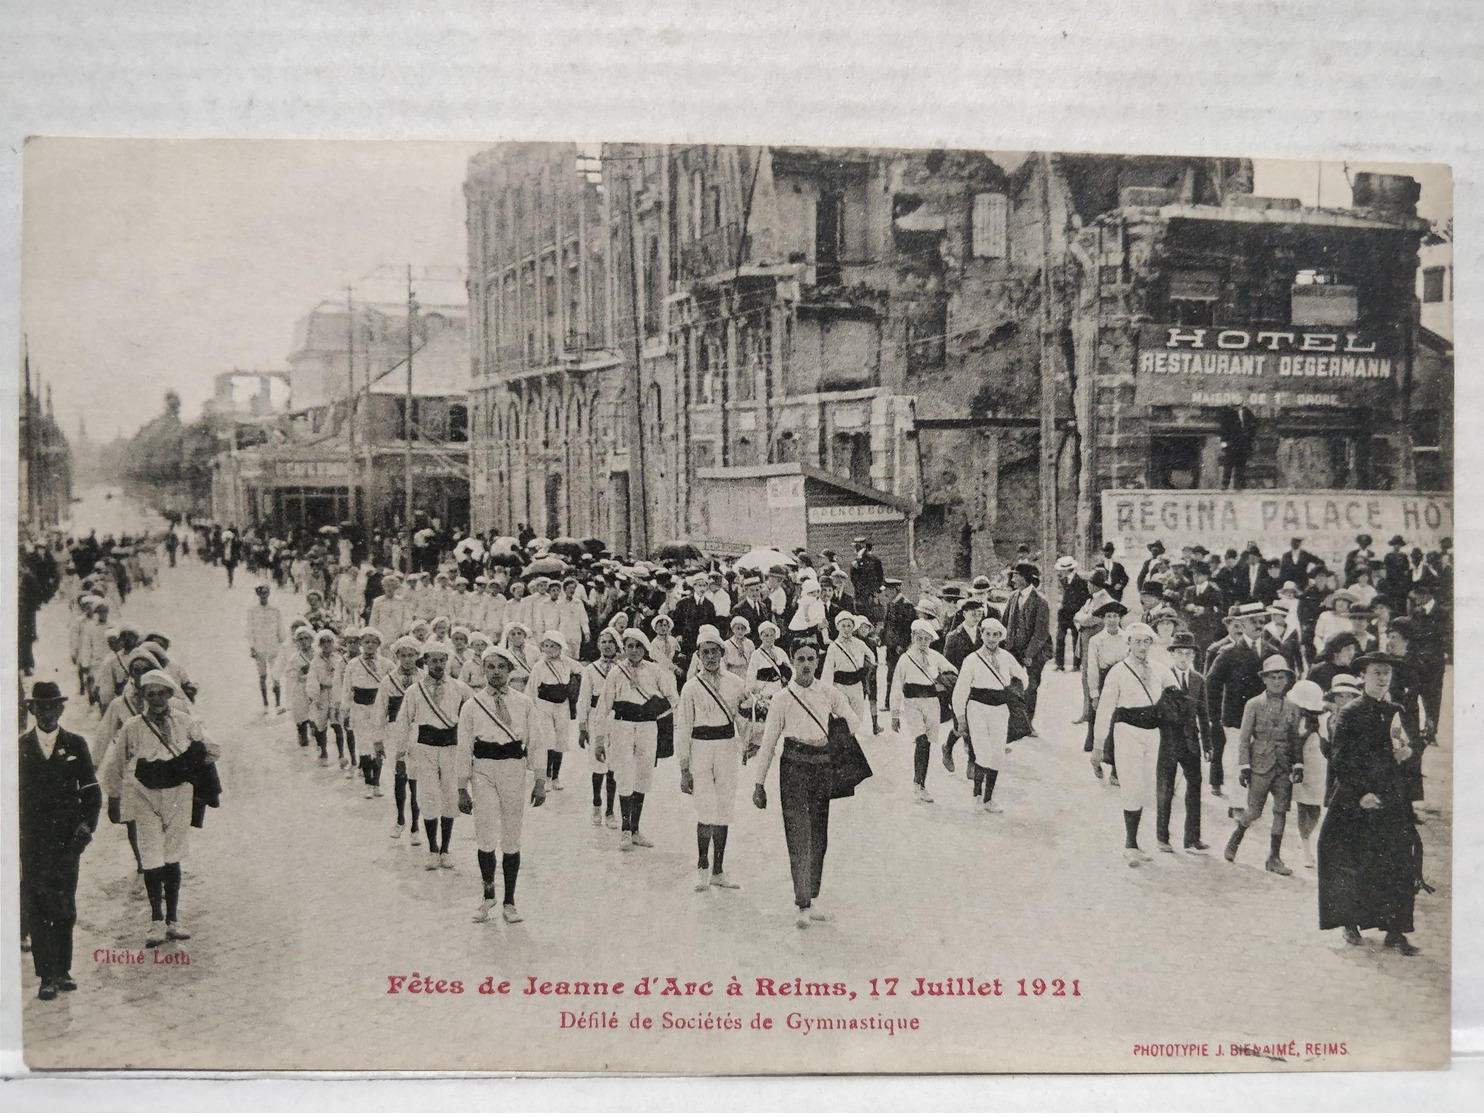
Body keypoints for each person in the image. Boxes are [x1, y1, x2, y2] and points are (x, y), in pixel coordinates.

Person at [99, 670, 220, 947]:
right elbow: (115, 764)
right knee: (151, 855)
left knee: (173, 855)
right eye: (149, 694)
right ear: (142, 696)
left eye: (161, 693)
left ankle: (174, 920)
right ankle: (156, 921)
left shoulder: (185, 721)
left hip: (178, 792)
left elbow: (212, 749)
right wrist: (114, 796)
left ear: (169, 694)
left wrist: (191, 762)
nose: (155, 699)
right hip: (145, 794)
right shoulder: (133, 727)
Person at [750, 643, 864, 928]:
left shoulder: (828, 692)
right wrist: (758, 782)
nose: (805, 664)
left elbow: (854, 721)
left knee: (818, 836)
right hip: (793, 768)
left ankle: (812, 896)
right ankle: (801, 902)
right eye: (800, 659)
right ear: (792, 661)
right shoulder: (781, 699)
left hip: (822, 768)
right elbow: (769, 743)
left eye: (810, 659)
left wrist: (839, 729)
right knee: (799, 834)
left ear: (817, 661)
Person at [1317, 651, 1423, 954]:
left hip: (1390, 796)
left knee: (1398, 859)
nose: (1382, 679)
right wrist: (1360, 793)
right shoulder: (1350, 712)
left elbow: (1404, 746)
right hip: (1356, 798)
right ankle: (1349, 923)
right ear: (1362, 676)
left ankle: (1396, 931)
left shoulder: (1395, 710)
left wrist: (1406, 754)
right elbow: (1340, 759)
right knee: (1351, 858)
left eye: (1386, 673)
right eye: (1376, 673)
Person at [19, 681, 101, 1000]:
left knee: (65, 903)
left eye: (55, 705)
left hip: (67, 840)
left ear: (62, 708)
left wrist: (85, 826)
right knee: (39, 904)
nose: (49, 712)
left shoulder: (76, 744)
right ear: (33, 709)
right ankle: (46, 975)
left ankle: (64, 969)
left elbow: (92, 792)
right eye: (42, 706)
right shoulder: (21, 747)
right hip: (34, 842)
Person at [458, 645, 545, 924]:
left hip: (513, 769)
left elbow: (536, 742)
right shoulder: (472, 705)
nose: (496, 672)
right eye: (491, 667)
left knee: (510, 834)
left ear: (510, 671)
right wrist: (461, 786)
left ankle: (510, 901)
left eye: (501, 667)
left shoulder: (524, 703)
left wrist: (540, 780)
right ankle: (487, 896)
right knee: (485, 833)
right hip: (483, 770)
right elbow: (463, 748)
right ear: (484, 670)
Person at [1092, 623, 1175, 865]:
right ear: (1128, 644)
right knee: (1132, 786)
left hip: (1153, 733)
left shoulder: (1159, 669)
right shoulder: (1118, 672)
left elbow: (1176, 689)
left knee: (1147, 787)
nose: (1141, 647)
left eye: (1146, 642)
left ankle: (1137, 841)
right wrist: (1098, 746)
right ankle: (1130, 844)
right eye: (1137, 642)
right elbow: (1105, 709)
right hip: (1127, 731)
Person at [593, 628, 680, 851]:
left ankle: (635, 829)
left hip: (647, 727)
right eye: (629, 646)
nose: (633, 651)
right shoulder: (616, 672)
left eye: (638, 646)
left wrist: (656, 708)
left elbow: (673, 698)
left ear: (645, 648)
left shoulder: (654, 670)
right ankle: (624, 830)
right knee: (624, 775)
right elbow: (603, 706)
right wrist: (600, 739)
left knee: (643, 776)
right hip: (622, 725)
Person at [677, 626, 747, 891]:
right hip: (701, 750)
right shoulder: (691, 688)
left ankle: (719, 870)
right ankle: (702, 868)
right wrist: (684, 767)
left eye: (714, 651)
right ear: (698, 655)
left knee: (724, 808)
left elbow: (744, 716)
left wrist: (750, 741)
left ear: (722, 653)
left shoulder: (736, 683)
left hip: (727, 748)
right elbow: (683, 728)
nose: (710, 657)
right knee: (706, 808)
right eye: (705, 652)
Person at [1222, 655, 1304, 875]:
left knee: (1281, 811)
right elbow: (1244, 738)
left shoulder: (1293, 708)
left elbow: (1295, 738)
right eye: (1273, 677)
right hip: (1260, 765)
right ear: (1265, 680)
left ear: (1287, 680)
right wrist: (1244, 766)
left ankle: (1274, 858)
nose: (1277, 681)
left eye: (1281, 677)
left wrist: (1298, 764)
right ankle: (1236, 837)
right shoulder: (1254, 704)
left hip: (1283, 766)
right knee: (1254, 811)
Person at [397, 641, 471, 870]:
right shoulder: (414, 691)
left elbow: (473, 715)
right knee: (428, 796)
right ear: (425, 661)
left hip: (451, 748)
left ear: (447, 662)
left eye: (442, 660)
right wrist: (400, 756)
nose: (438, 665)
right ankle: (432, 849)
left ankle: (446, 849)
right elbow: (403, 723)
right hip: (425, 749)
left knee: (449, 796)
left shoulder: (459, 688)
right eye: (433, 660)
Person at [952, 617, 1029, 812]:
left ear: (1001, 637)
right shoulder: (972, 659)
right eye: (988, 634)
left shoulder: (1006, 657)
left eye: (996, 635)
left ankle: (988, 799)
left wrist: (1015, 688)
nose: (991, 639)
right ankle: (977, 794)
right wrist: (961, 718)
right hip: (977, 708)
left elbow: (1022, 677)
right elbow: (960, 691)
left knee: (996, 754)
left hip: (1000, 709)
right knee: (983, 752)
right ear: (981, 634)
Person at [1154, 632, 1211, 854]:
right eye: (1180, 653)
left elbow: (1204, 715)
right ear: (1172, 654)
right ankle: (1162, 837)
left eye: (1188, 654)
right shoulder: (1162, 676)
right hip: (1167, 741)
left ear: (1193, 656)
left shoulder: (1198, 680)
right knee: (1165, 789)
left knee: (1194, 789)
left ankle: (1192, 838)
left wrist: (1207, 745)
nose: (1184, 658)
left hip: (1190, 743)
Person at [1204, 604, 1268, 799]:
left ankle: (1253, 802)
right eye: (1254, 621)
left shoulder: (1272, 651)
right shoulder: (1228, 652)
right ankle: (1237, 804)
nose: (1259, 625)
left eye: (1262, 621)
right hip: (1235, 718)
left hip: (1264, 718)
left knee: (1259, 759)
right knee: (1237, 761)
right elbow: (1211, 684)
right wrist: (1214, 716)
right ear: (1244, 623)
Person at [890, 619, 955, 804]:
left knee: (927, 743)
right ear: (913, 637)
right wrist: (894, 713)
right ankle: (919, 784)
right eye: (919, 638)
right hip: (912, 703)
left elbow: (952, 670)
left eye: (927, 639)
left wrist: (942, 679)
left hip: (932, 702)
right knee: (921, 741)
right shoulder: (905, 658)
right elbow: (896, 685)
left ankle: (920, 782)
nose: (923, 642)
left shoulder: (935, 656)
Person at [376, 636, 423, 847]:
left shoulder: (424, 678)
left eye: (411, 655)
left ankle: (415, 826)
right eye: (402, 655)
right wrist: (378, 740)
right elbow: (380, 710)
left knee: (416, 780)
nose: (406, 659)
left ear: (417, 656)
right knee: (400, 776)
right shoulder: (388, 680)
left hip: (419, 732)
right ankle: (400, 820)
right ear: (396, 657)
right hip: (396, 732)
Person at [342, 628, 393, 799]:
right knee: (364, 746)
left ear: (379, 644)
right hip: (360, 708)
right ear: (361, 644)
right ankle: (368, 784)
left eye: (374, 642)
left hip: (378, 708)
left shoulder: (386, 664)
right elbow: (347, 689)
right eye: (366, 642)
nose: (370, 645)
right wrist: (345, 709)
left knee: (378, 744)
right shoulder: (353, 664)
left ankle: (377, 782)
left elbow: (394, 683)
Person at [578, 628, 622, 827]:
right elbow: (584, 698)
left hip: (616, 717)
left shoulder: (622, 668)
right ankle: (597, 803)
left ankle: (611, 811)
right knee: (598, 764)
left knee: (613, 766)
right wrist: (582, 727)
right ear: (598, 645)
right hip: (596, 716)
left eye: (610, 642)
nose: (607, 645)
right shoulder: (590, 669)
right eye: (603, 642)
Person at [527, 631, 578, 791]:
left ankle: (556, 776)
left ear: (560, 647)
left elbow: (582, 672)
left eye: (553, 646)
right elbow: (531, 689)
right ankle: (547, 776)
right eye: (546, 646)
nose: (549, 649)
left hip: (562, 704)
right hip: (544, 705)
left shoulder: (567, 663)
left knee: (561, 739)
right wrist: (532, 709)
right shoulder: (539, 665)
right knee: (547, 740)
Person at [1002, 563, 1051, 729]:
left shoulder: (1041, 601)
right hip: (1013, 649)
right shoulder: (1012, 597)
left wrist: (1029, 654)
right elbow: (1004, 623)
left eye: (1016, 575)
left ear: (1025, 578)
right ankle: (1015, 721)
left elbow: (1041, 633)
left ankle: (1028, 724)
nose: (1013, 579)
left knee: (1032, 687)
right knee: (1012, 685)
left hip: (1036, 652)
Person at [246, 583, 285, 711]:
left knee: (275, 675)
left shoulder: (275, 610)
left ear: (268, 594)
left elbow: (280, 629)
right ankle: (265, 704)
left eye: (265, 593)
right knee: (262, 676)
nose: (263, 596)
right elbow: (250, 630)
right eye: (261, 593)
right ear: (258, 594)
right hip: (259, 647)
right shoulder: (253, 611)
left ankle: (278, 704)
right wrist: (252, 646)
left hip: (273, 646)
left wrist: (282, 643)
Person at [1053, 557, 1090, 672]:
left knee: (1076, 638)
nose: (1060, 572)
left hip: (1075, 613)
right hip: (1064, 613)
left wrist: (1080, 612)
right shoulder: (1063, 581)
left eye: (1062, 570)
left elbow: (1085, 598)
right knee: (1060, 638)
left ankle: (1076, 664)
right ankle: (1059, 664)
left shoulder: (1081, 581)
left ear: (1068, 570)